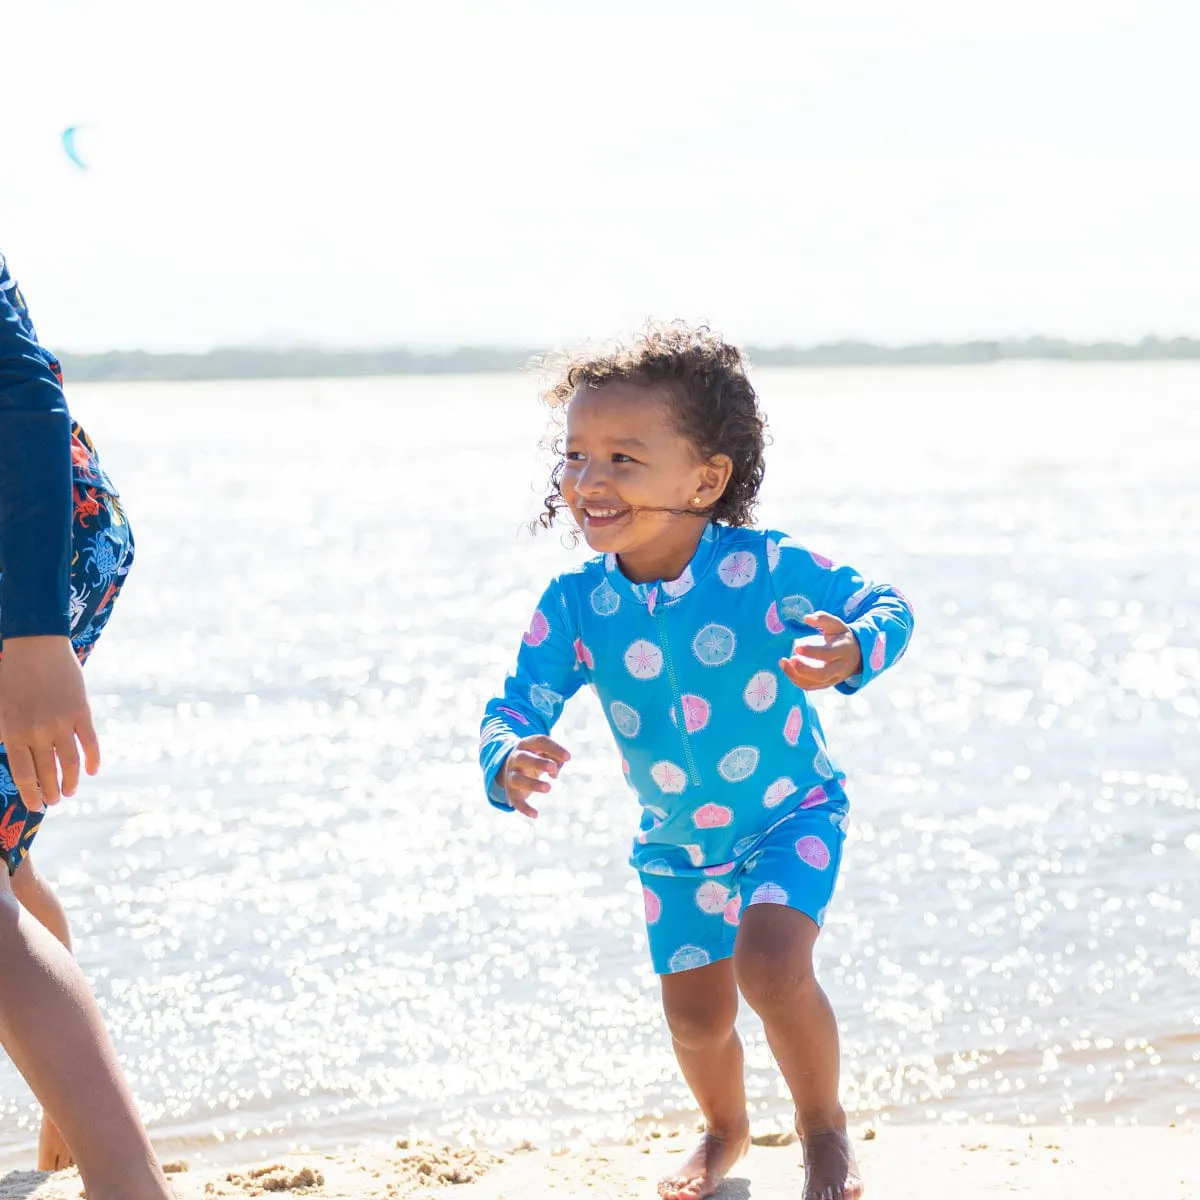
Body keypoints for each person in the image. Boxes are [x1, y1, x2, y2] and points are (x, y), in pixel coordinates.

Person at [479, 323, 915, 1200]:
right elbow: (517, 700)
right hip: (676, 846)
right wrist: (506, 754)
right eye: (576, 455)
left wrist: (853, 648)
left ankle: (824, 1132)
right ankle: (724, 1131)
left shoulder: (764, 568)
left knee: (772, 966)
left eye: (623, 459)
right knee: (695, 1020)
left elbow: (884, 603)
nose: (589, 480)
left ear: (706, 478)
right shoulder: (576, 604)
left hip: (794, 813)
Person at [0, 248, 173, 1198]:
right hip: (31, 549)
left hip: (27, 551)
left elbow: (21, 395)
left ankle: (127, 1184)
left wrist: (30, 635)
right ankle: (74, 1121)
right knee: (6, 858)